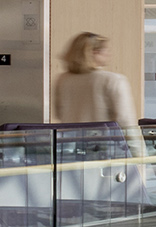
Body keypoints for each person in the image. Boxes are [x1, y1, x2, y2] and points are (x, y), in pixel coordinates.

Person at [53, 31, 145, 160]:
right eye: (105, 50)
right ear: (93, 53)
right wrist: (138, 153)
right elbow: (125, 121)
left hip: (71, 151)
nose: (109, 53)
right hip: (105, 152)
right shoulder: (112, 80)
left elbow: (59, 113)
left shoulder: (63, 80)